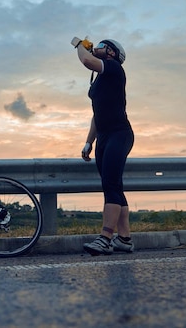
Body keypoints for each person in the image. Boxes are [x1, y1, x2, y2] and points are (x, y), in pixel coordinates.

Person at [73, 37, 135, 256]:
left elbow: (87, 61)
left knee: (110, 185)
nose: (96, 48)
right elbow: (96, 115)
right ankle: (125, 239)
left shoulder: (114, 68)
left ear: (111, 52)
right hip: (104, 135)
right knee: (114, 185)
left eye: (101, 46)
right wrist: (89, 142)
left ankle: (106, 238)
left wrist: (79, 45)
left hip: (120, 133)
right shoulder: (101, 78)